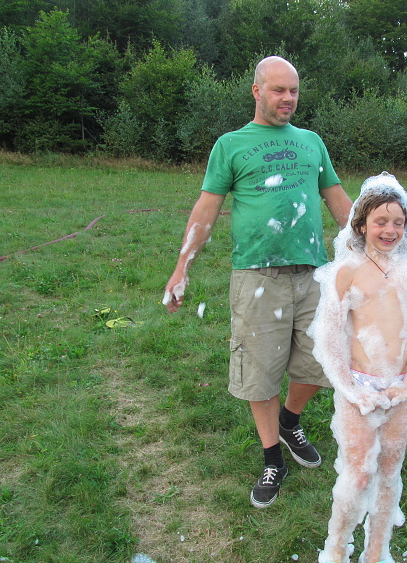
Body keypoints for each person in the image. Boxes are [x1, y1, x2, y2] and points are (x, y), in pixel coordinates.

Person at [163, 56, 352, 508]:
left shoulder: (311, 142)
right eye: (278, 90)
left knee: (321, 363)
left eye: (293, 91)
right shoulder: (230, 145)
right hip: (257, 276)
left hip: (313, 273)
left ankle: (290, 420)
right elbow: (206, 209)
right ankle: (273, 458)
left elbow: (338, 201)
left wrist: (375, 252)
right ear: (257, 91)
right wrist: (182, 265)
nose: (288, 99)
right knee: (260, 374)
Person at [309, 173, 407, 563]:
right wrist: (350, 389)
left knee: (389, 471)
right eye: (381, 222)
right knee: (357, 474)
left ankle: (376, 551)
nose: (390, 230)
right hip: (359, 386)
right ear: (361, 225)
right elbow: (329, 337)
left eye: (398, 223)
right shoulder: (347, 272)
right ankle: (336, 549)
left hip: (400, 387)